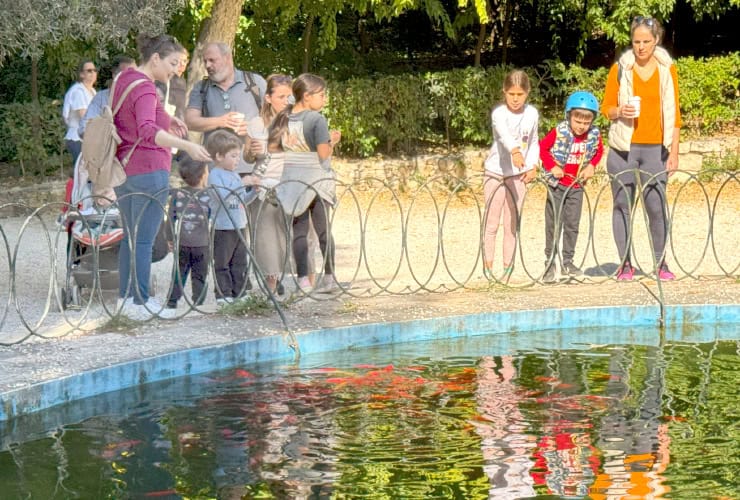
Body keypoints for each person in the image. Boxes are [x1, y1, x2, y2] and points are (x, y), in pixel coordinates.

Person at [113, 34, 211, 321]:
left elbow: (132, 117)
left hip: (125, 170)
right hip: (149, 169)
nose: (175, 70)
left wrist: (169, 119)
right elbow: (145, 129)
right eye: (172, 63)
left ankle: (125, 299)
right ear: (155, 58)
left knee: (129, 238)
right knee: (143, 241)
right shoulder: (145, 88)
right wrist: (187, 145)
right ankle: (141, 301)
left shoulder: (126, 78)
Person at [601, 16, 681, 281]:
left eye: (647, 41)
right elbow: (606, 109)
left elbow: (675, 114)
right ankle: (625, 264)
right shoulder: (621, 69)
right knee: (622, 205)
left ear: (656, 40)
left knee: (656, 207)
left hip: (656, 149)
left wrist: (675, 151)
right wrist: (619, 111)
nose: (641, 47)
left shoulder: (667, 69)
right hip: (624, 148)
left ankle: (661, 264)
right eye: (636, 41)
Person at [271, 73, 341, 293]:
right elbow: (322, 153)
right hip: (317, 179)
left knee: (299, 231)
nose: (325, 99)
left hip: (292, 180)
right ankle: (329, 276)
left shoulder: (284, 117)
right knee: (323, 230)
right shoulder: (316, 119)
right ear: (308, 96)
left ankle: (303, 280)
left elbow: (273, 147)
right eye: (322, 95)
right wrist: (333, 141)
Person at [540, 91, 604, 283]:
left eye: (586, 122)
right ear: (569, 116)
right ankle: (550, 264)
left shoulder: (593, 135)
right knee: (554, 225)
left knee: (572, 225)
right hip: (557, 186)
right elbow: (542, 148)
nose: (581, 126)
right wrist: (552, 166)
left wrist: (592, 166)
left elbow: (599, 151)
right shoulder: (560, 131)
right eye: (578, 121)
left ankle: (568, 262)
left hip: (576, 186)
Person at [482, 69, 539, 281]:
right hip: (496, 171)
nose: (515, 99)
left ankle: (507, 271)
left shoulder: (532, 114)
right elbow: (504, 136)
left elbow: (533, 141)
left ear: (527, 93)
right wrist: (515, 151)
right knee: (491, 222)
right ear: (504, 92)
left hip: (519, 174)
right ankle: (488, 269)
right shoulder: (499, 114)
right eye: (511, 94)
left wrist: (533, 165)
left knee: (512, 223)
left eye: (520, 94)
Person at [243, 74, 293, 295]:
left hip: (288, 183)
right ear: (268, 98)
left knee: (285, 236)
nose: (286, 100)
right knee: (264, 238)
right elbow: (246, 157)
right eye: (281, 96)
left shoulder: (296, 121)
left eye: (289, 96)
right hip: (261, 184)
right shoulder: (256, 123)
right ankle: (270, 286)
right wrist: (251, 152)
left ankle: (290, 281)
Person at [185, 42, 267, 175]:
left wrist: (253, 128)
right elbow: (189, 121)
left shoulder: (255, 82)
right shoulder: (201, 88)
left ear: (228, 57)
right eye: (205, 61)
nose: (207, 65)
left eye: (212, 60)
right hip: (216, 170)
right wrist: (221, 121)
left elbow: (279, 119)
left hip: (254, 168)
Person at [207, 129, 256, 305]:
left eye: (238, 156)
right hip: (223, 227)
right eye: (233, 156)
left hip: (239, 225)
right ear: (219, 156)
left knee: (240, 261)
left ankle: (240, 292)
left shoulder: (234, 174)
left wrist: (254, 191)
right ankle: (223, 294)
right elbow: (224, 197)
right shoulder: (214, 175)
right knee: (222, 262)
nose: (237, 160)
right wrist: (242, 183)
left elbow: (242, 200)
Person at [165, 153, 212, 311]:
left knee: (178, 274)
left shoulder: (178, 194)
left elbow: (170, 218)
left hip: (182, 242)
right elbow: (214, 217)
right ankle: (198, 302)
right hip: (203, 244)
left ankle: (172, 301)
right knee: (200, 274)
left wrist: (170, 238)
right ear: (203, 175)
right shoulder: (208, 195)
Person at [78, 55, 136, 138]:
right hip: (109, 149)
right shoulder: (101, 97)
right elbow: (84, 128)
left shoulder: (142, 98)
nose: (135, 78)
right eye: (129, 74)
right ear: (115, 75)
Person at [62, 59, 97, 165]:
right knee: (82, 174)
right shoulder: (78, 92)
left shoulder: (92, 91)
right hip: (77, 138)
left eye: (94, 70)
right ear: (82, 74)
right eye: (89, 71)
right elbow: (85, 118)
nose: (93, 73)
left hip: (88, 138)